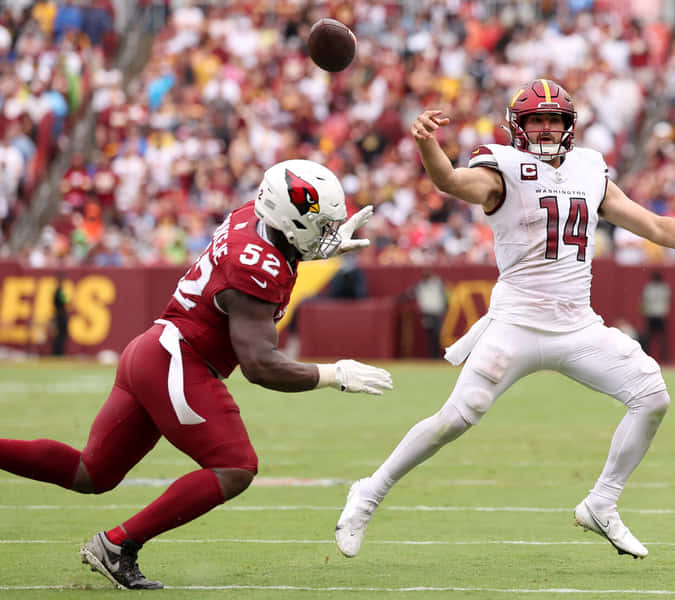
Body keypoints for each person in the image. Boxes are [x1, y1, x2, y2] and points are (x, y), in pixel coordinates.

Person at [334, 79, 675, 560]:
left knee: (652, 396)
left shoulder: (589, 168)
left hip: (578, 326)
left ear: (568, 126)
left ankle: (601, 503)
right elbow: (450, 181)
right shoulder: (502, 167)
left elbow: (655, 224)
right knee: (456, 418)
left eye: (553, 119)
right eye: (535, 119)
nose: (544, 128)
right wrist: (427, 144)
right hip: (516, 323)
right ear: (517, 127)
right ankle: (368, 492)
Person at [0, 159, 393, 589]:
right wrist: (334, 374)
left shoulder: (253, 215)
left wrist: (314, 249)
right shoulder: (255, 267)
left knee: (91, 473)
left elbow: (277, 247)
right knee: (235, 466)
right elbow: (260, 365)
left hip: (153, 350)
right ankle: (117, 544)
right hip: (179, 361)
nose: (327, 234)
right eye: (321, 227)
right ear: (291, 219)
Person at [640, 270, 671, 362]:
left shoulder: (649, 287)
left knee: (650, 337)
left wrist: (644, 312)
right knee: (661, 338)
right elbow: (667, 299)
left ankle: (647, 355)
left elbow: (645, 300)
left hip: (651, 314)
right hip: (660, 315)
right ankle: (664, 357)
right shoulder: (664, 287)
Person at [51, 273, 69, 356]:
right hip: (61, 316)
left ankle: (58, 352)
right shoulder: (59, 292)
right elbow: (65, 301)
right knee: (61, 335)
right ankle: (58, 352)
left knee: (60, 335)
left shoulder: (57, 291)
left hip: (58, 315)